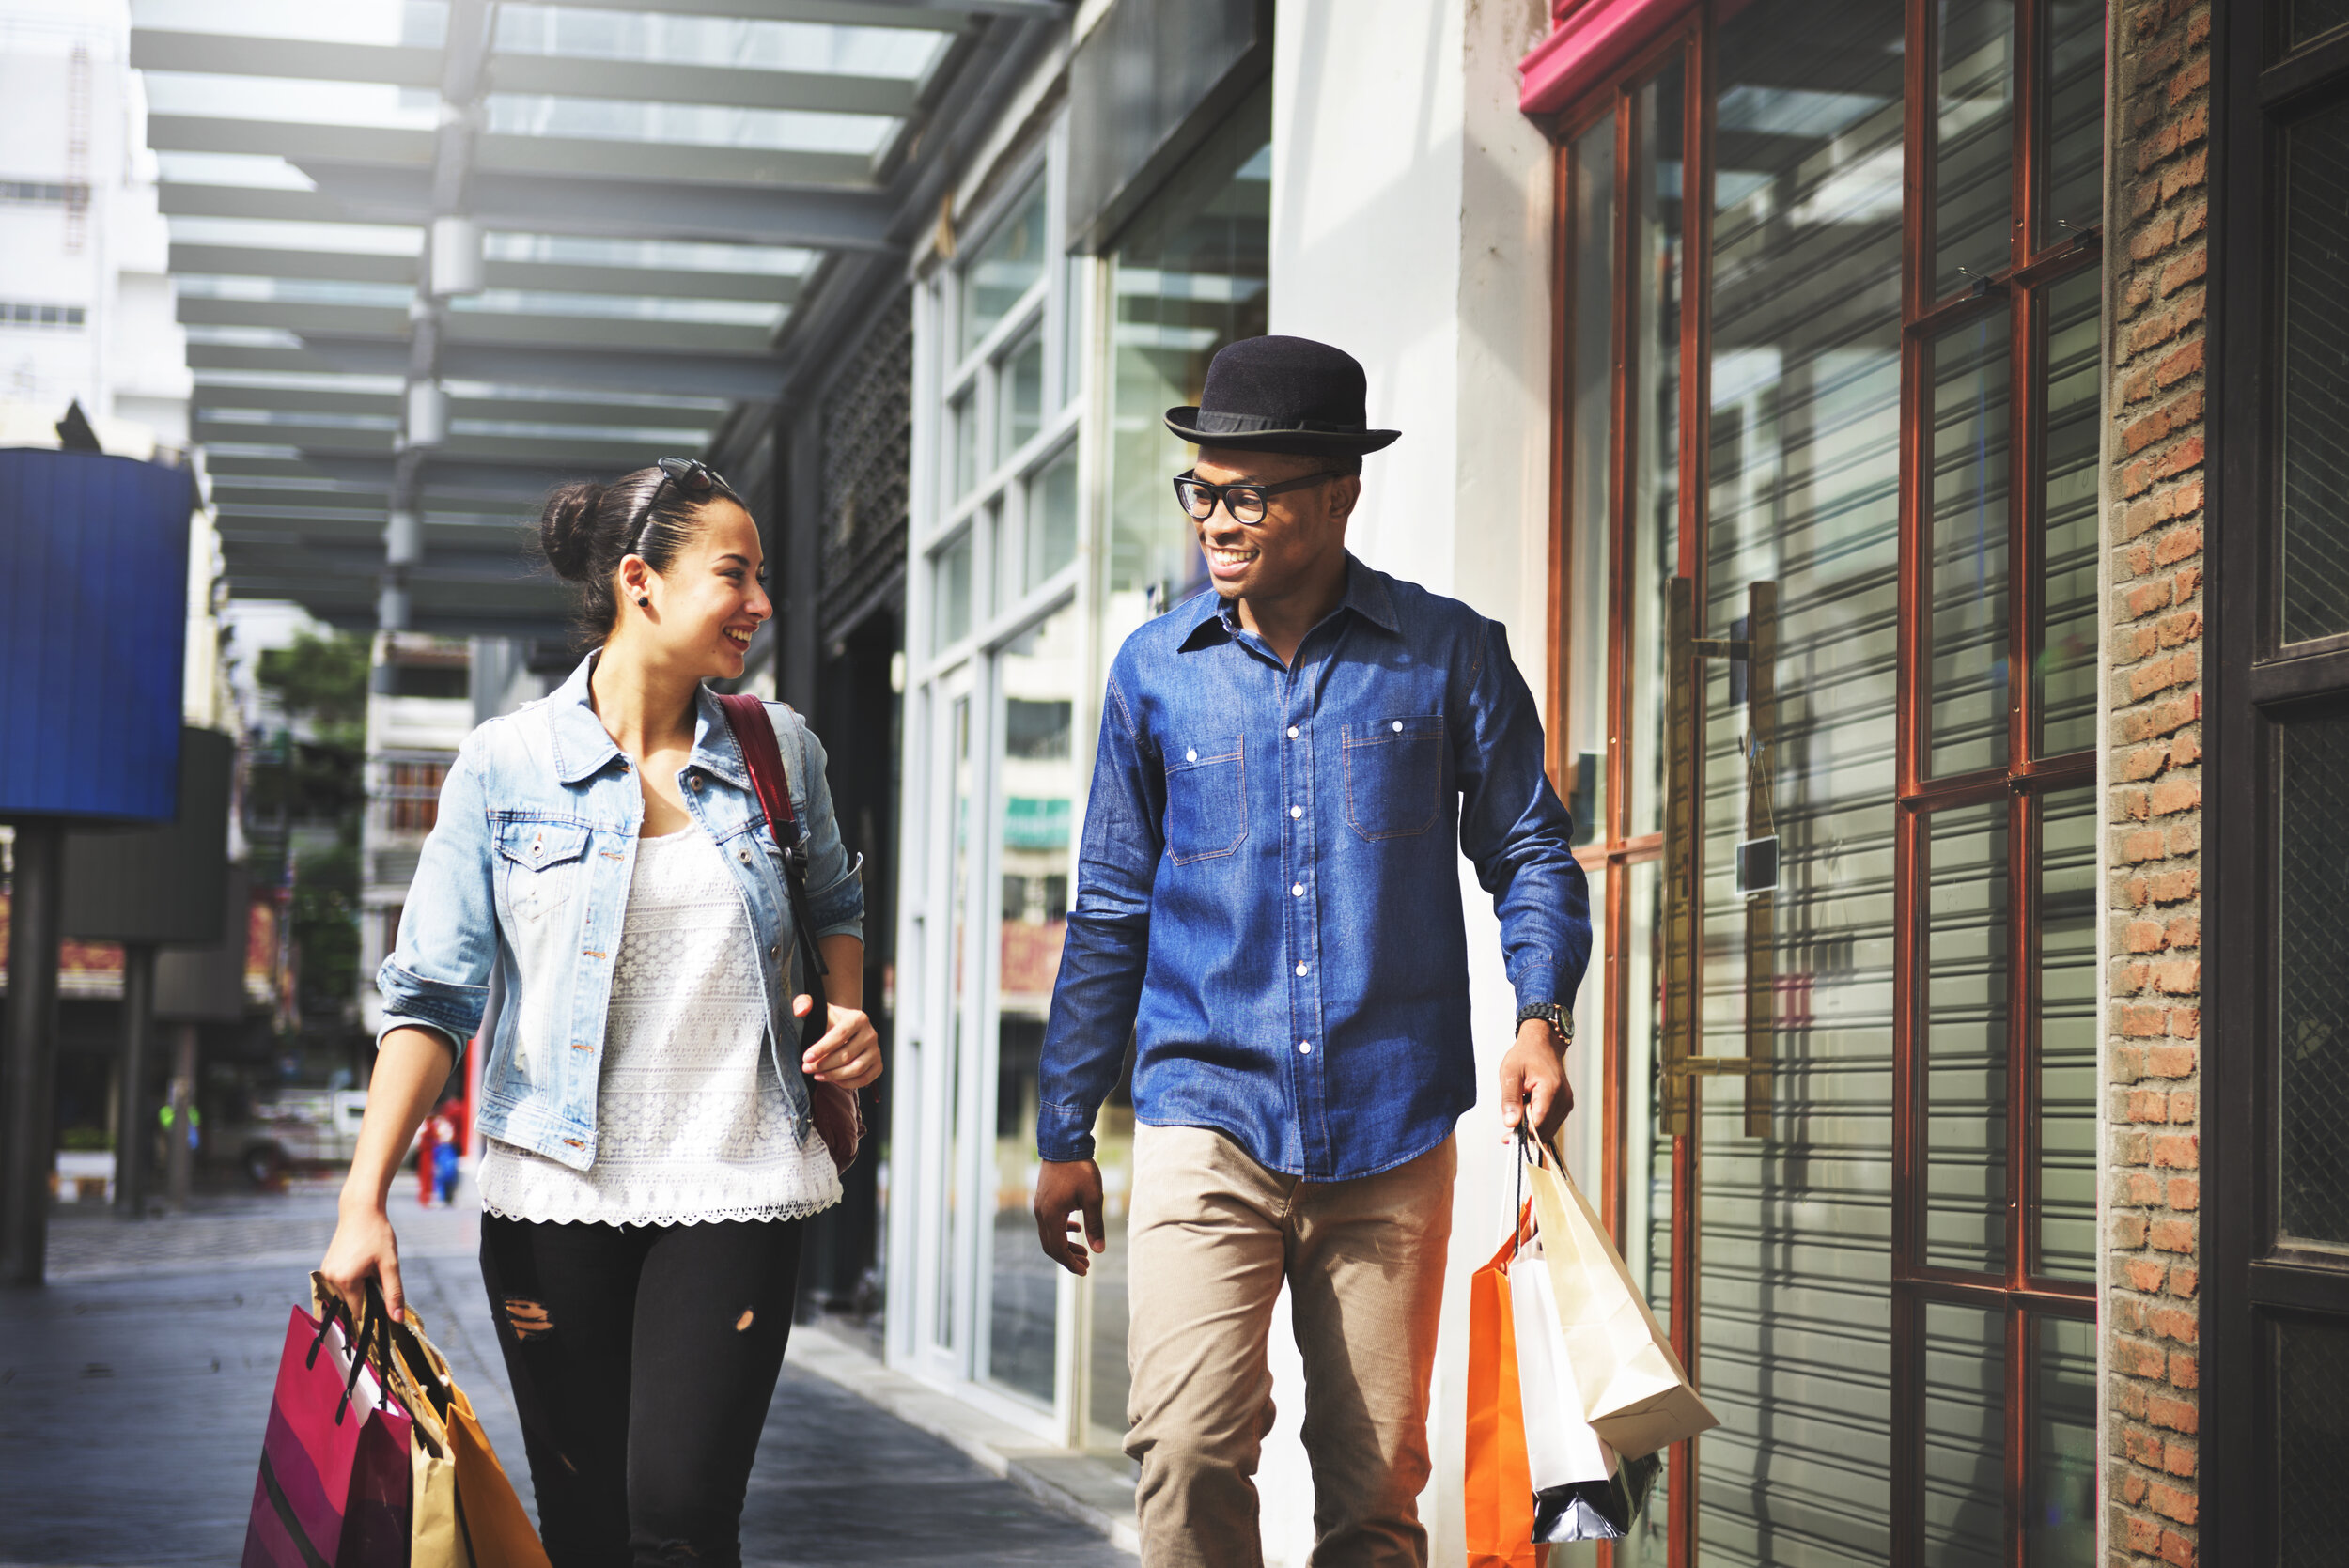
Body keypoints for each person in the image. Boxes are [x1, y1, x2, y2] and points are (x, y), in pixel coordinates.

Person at [1033, 335, 1591, 1568]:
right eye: (1202, 488)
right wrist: (1065, 1130)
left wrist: (1540, 1014)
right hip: (1204, 1116)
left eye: (1250, 490)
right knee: (1184, 1454)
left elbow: (1534, 853)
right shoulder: (1153, 676)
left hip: (1389, 1131)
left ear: (1338, 493)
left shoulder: (1449, 655)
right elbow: (1112, 905)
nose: (1216, 519)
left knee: (1374, 1494)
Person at [318, 458, 881, 1568]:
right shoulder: (503, 766)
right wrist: (361, 1200)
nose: (761, 603)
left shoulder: (780, 751)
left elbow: (836, 898)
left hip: (737, 1181)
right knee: (583, 1533)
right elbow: (433, 996)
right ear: (641, 580)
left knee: (678, 1521)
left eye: (761, 575)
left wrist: (847, 1020)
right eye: (736, 574)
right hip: (554, 1196)